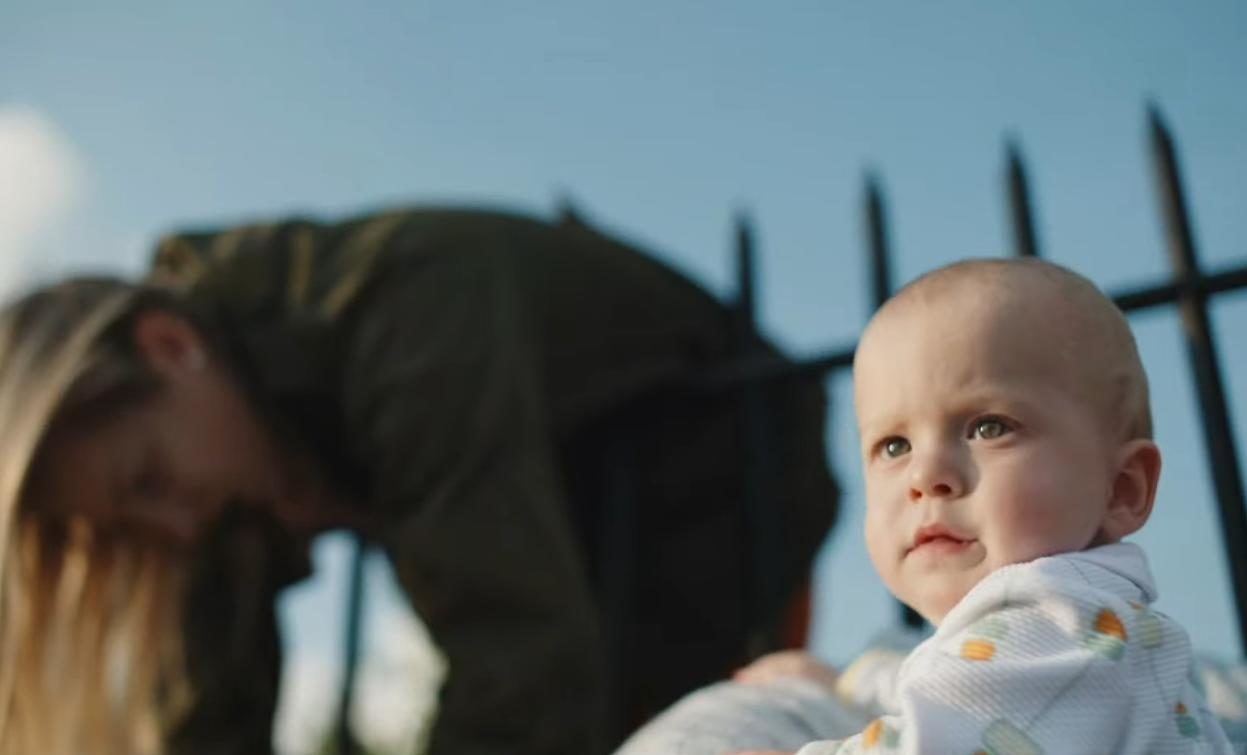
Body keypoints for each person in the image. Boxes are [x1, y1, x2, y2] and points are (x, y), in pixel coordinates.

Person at [0, 206, 839, 755]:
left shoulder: (407, 310)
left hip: (730, 493)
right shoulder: (226, 459)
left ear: (170, 347)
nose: (174, 529)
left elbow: (518, 664)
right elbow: (207, 723)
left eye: (148, 479)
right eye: (129, 526)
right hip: (594, 570)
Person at [618, 257, 1235, 754]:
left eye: (990, 427)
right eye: (893, 444)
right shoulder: (1054, 638)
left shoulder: (1068, 623)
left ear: (1122, 488)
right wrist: (846, 682)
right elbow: (962, 691)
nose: (927, 474)